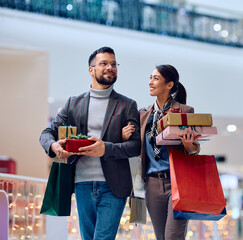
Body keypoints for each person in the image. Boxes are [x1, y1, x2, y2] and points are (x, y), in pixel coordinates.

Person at [39, 46, 141, 240]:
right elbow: (47, 133)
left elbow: (135, 147)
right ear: (91, 70)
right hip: (81, 183)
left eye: (113, 64)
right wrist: (54, 146)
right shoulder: (73, 103)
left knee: (102, 237)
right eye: (104, 63)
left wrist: (106, 148)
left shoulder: (127, 105)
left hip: (113, 186)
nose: (110, 67)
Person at [122, 64, 200, 240]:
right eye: (150, 77)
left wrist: (188, 145)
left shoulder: (185, 111)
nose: (150, 82)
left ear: (169, 84)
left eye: (156, 78)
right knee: (161, 237)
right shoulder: (142, 114)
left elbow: (195, 147)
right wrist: (125, 137)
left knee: (173, 236)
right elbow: (135, 149)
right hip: (152, 184)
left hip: (177, 182)